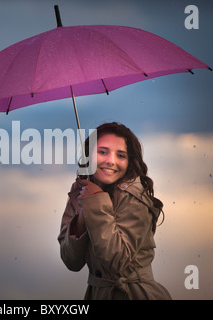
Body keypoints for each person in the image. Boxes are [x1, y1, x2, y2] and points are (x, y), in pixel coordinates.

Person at [58, 122, 171, 300]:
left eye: (121, 155)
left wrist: (95, 203)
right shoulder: (79, 193)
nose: (111, 161)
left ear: (130, 161)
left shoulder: (134, 196)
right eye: (102, 152)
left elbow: (116, 261)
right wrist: (80, 220)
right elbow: (71, 261)